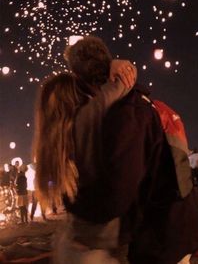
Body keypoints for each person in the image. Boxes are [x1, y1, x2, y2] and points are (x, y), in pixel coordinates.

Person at [65, 36, 198, 264]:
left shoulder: (125, 113)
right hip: (176, 223)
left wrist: (76, 212)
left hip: (164, 235)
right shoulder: (138, 101)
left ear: (83, 79)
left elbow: (118, 191)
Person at [34, 55, 136, 263]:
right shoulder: (86, 118)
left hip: (73, 239)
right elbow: (124, 83)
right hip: (95, 246)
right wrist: (115, 65)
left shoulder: (51, 143)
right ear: (74, 97)